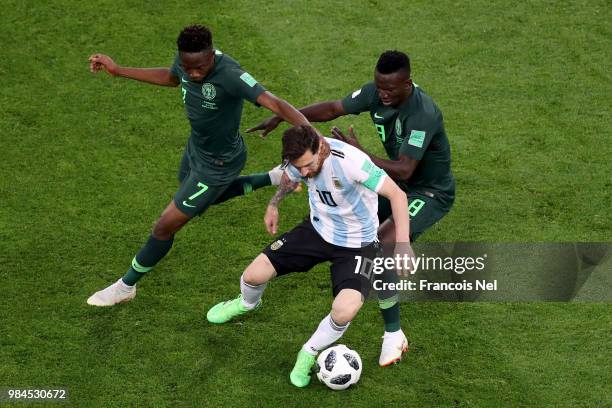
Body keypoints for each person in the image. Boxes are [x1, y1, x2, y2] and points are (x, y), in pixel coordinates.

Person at [248, 51, 455, 359]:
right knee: (344, 219)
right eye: (379, 86)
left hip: (427, 192)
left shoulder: (423, 114)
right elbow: (333, 109)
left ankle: (393, 333)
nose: (382, 94)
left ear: (407, 84)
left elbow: (405, 170)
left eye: (390, 89)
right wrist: (283, 116)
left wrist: (362, 154)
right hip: (395, 182)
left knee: (384, 246)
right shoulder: (377, 93)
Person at [86, 24, 311, 307]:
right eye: (188, 67)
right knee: (201, 201)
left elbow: (274, 103)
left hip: (218, 164)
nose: (192, 74)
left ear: (211, 57)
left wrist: (311, 134)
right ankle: (272, 177)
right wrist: (119, 70)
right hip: (197, 150)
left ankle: (125, 286)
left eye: (200, 69)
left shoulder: (230, 74)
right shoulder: (186, 62)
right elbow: (171, 77)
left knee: (164, 227)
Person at [206, 125, 414, 387]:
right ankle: (248, 304)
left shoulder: (351, 162)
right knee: (252, 275)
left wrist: (403, 243)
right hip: (317, 231)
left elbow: (397, 194)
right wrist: (274, 204)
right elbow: (289, 178)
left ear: (321, 148)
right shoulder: (298, 160)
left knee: (344, 310)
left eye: (308, 165)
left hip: (358, 245)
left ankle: (308, 353)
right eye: (299, 166)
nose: (304, 172)